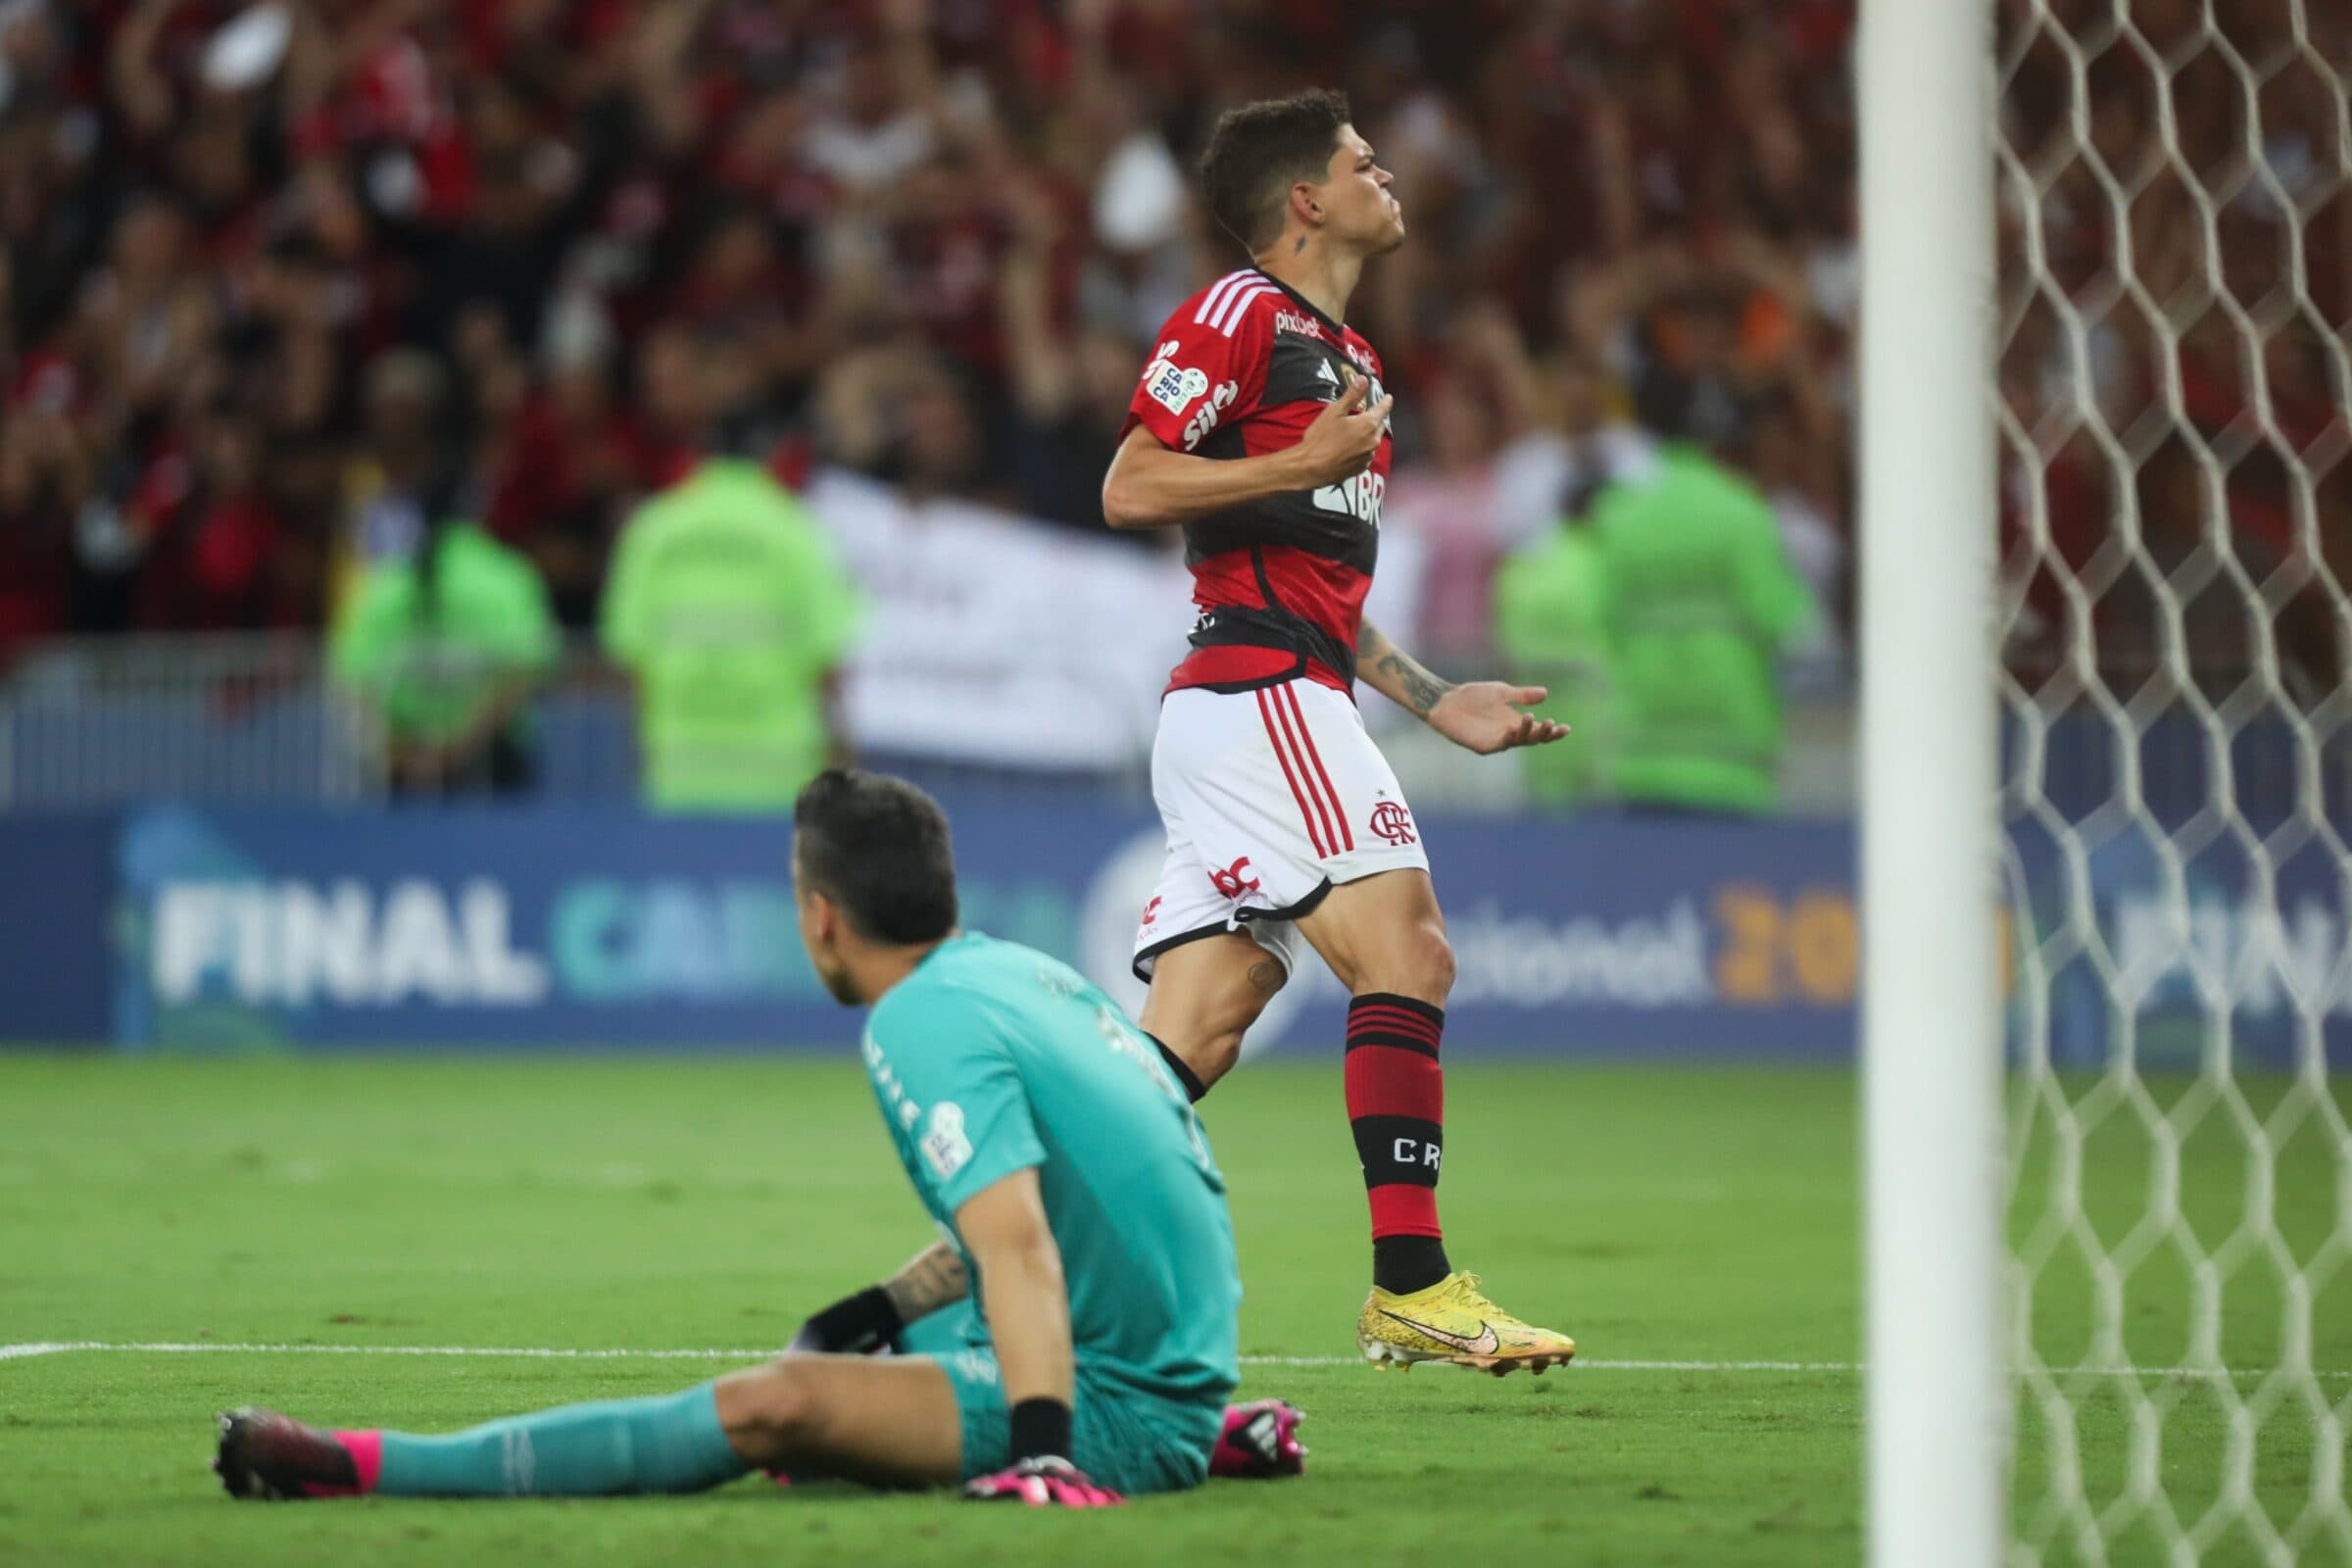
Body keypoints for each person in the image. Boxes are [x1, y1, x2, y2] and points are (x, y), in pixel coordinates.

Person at [213, 770, 1304, 1507]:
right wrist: (871, 1310)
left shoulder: (918, 1018)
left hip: (1125, 1400)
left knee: (775, 1406)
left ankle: (358, 1466)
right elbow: (1052, 1204)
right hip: (1163, 1356)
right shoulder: (1012, 970)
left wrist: (1042, 1458)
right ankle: (1206, 1433)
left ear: (821, 914)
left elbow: (1017, 1241)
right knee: (835, 1361)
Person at [1098, 90, 1577, 1373]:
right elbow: (1131, 482)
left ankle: (1014, 1240)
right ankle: (1413, 1285)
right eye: (1364, 162)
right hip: (1257, 700)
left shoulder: (1353, 364)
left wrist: (1432, 697)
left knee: (1202, 1026)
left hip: (1270, 698)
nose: (1390, 176)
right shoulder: (1241, 311)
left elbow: (1323, 584)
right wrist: (1287, 468)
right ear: (1307, 199)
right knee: (1407, 952)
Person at [599, 335, 862, 813]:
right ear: (771, 456)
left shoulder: (655, 528)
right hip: (779, 776)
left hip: (679, 770)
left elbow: (628, 657)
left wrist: (643, 751)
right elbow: (828, 660)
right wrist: (842, 760)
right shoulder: (795, 529)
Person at [328, 513, 560, 800]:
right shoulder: (506, 576)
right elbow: (524, 671)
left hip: (447, 758)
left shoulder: (381, 582)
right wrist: (453, 752)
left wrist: (397, 752)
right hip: (481, 757)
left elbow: (352, 682)